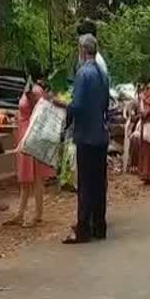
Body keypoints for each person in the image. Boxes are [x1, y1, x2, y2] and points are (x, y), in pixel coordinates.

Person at [62, 34, 110, 244]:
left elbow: (77, 105)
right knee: (99, 183)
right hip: (100, 134)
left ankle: (83, 227)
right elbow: (105, 103)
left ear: (82, 50)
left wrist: (59, 104)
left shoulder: (83, 73)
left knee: (86, 184)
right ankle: (99, 225)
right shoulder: (102, 73)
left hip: (86, 136)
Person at [4, 60, 54, 227]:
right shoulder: (33, 89)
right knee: (26, 178)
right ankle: (21, 213)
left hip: (30, 134)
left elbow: (37, 114)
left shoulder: (34, 91)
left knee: (36, 177)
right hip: (25, 131)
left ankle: (37, 214)